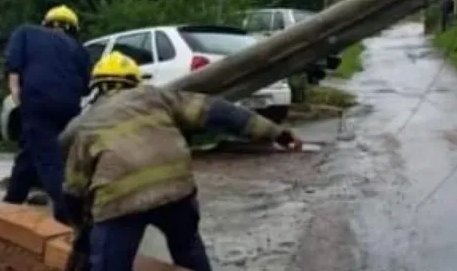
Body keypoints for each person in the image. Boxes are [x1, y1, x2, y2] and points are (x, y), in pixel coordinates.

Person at [60, 51, 304, 271]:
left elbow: (73, 190)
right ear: (135, 81)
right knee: (188, 250)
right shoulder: (157, 96)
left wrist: (80, 230)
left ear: (97, 88)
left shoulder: (88, 124)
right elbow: (221, 113)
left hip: (119, 201)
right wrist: (277, 133)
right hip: (176, 190)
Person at [3, 5, 91, 224]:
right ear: (73, 29)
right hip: (69, 108)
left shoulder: (26, 32)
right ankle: (12, 200)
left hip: (37, 100)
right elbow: (86, 86)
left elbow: (14, 67)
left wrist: (16, 94)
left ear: (46, 23)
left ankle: (68, 214)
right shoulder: (79, 49)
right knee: (30, 151)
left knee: (48, 159)